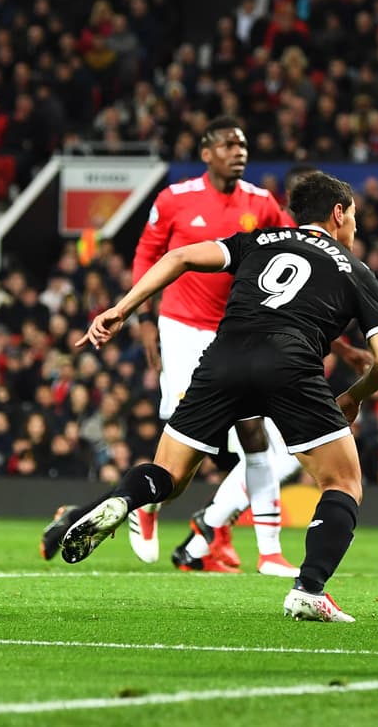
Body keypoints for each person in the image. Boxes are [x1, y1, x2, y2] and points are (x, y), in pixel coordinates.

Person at [54, 172, 378, 622]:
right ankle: (309, 590)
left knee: (169, 474)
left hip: (224, 358)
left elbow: (179, 256)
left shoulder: (258, 240)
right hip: (290, 364)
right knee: (342, 483)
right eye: (353, 216)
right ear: (338, 213)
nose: (354, 225)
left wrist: (122, 310)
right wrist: (354, 396)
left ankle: (125, 500)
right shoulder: (355, 270)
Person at [125, 116, 299, 576]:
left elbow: (291, 249)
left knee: (257, 436)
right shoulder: (175, 198)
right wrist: (142, 317)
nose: (238, 152)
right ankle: (149, 503)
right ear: (206, 153)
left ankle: (267, 550)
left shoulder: (261, 203)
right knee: (192, 439)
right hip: (182, 328)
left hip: (237, 332)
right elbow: (147, 255)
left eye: (242, 145)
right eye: (227, 144)